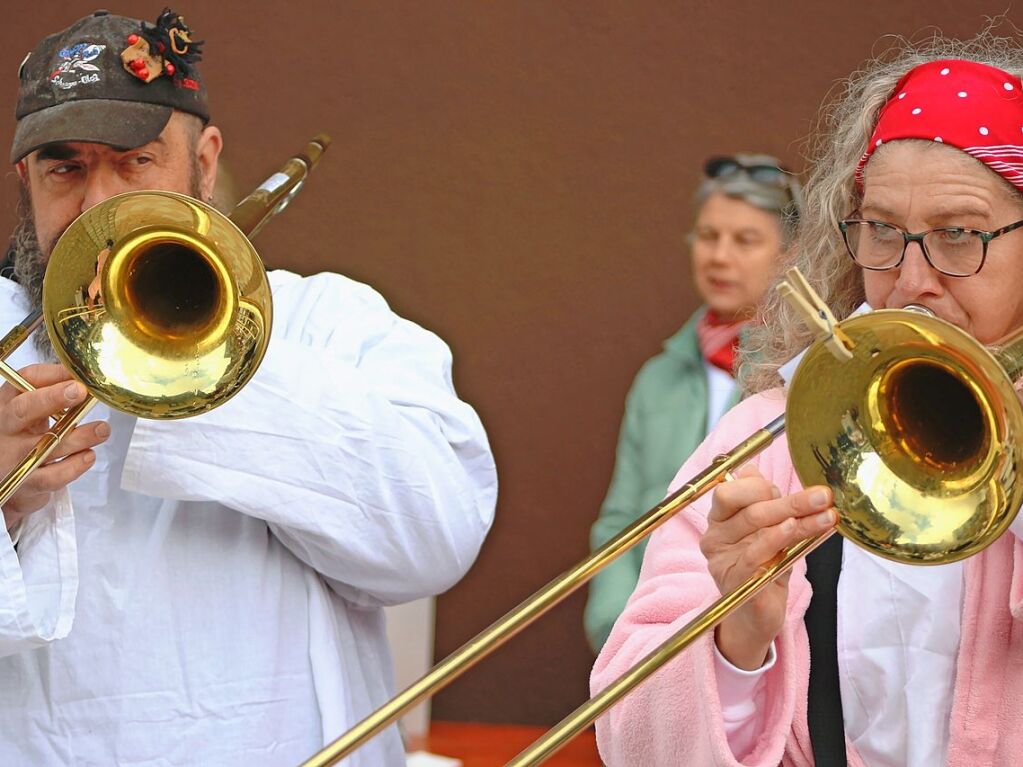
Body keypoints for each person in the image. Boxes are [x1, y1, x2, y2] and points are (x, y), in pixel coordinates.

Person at [0, 9, 497, 767]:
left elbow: (436, 539)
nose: (98, 204)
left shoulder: (328, 320)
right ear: (24, 183)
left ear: (205, 159)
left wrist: (211, 354)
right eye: (64, 168)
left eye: (135, 161)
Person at [592, 33, 1023, 767]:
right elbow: (629, 742)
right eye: (883, 230)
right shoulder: (768, 429)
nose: (911, 279)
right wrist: (735, 636)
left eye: (956, 235)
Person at [584, 154, 801, 652]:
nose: (719, 256)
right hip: (649, 637)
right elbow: (620, 522)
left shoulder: (807, 376)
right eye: (708, 236)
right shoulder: (659, 379)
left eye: (745, 240)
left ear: (791, 255)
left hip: (762, 640)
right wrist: (612, 627)